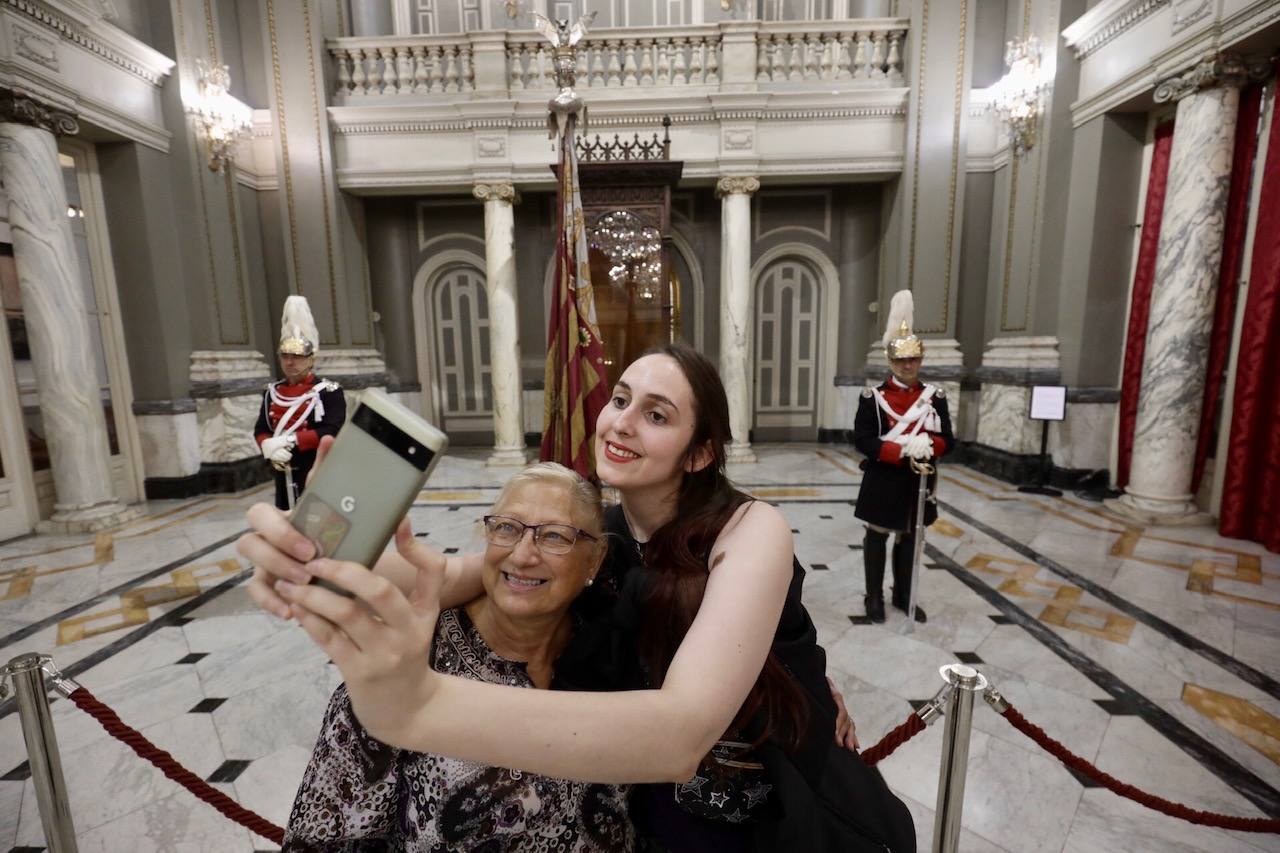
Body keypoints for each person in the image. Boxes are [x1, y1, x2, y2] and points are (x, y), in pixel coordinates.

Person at [239, 343, 914, 852]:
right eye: (619, 399)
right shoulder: (604, 538)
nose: (620, 422)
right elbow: (445, 575)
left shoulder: (750, 529)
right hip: (659, 819)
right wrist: (312, 556)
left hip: (772, 817)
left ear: (701, 452)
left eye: (656, 414)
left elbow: (680, 731)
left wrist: (418, 706)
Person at [282, 462, 634, 851]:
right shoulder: (405, 668)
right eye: (507, 528)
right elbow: (320, 840)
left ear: (596, 558)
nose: (522, 555)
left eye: (554, 536)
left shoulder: (614, 650)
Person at [853, 290, 955, 624]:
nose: (907, 365)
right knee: (878, 535)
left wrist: (929, 447)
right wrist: (900, 450)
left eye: (913, 359)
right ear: (891, 362)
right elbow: (864, 440)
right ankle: (873, 596)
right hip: (884, 477)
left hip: (919, 479)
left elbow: (948, 440)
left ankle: (902, 593)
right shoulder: (873, 398)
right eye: (901, 360)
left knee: (911, 536)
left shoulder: (934, 398)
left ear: (920, 361)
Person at [254, 295, 345, 510]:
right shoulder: (272, 392)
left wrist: (289, 440)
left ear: (311, 359)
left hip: (316, 465)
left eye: (297, 356)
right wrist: (269, 447)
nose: (290, 362)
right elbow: (262, 429)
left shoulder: (329, 391)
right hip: (282, 465)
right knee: (286, 519)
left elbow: (332, 430)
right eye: (285, 356)